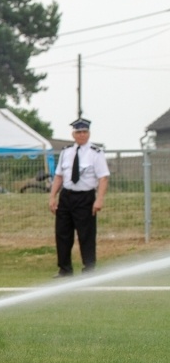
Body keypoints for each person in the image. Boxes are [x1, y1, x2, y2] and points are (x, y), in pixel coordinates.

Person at [49, 118, 110, 277]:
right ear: (73, 134)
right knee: (62, 234)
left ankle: (89, 269)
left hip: (85, 197)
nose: (82, 135)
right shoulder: (66, 151)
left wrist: (99, 199)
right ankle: (65, 269)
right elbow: (59, 176)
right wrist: (52, 197)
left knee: (86, 235)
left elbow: (103, 177)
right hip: (66, 196)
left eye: (84, 132)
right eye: (78, 132)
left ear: (88, 133)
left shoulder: (96, 152)